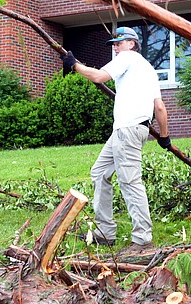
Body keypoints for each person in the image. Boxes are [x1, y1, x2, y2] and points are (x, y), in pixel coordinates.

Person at [63, 26, 171, 254]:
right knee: (99, 172)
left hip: (128, 131)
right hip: (129, 131)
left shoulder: (128, 58)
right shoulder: (149, 69)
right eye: (113, 44)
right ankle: (105, 233)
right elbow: (159, 107)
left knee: (130, 182)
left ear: (132, 43)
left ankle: (142, 239)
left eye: (118, 43)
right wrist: (164, 137)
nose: (115, 47)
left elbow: (99, 77)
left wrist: (74, 65)